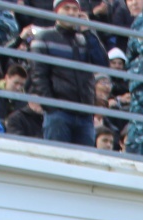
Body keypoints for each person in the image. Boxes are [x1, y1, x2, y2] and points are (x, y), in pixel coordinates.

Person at [29, 0, 109, 146]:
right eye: (66, 8)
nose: (71, 13)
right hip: (59, 113)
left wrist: (88, 32)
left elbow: (102, 64)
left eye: (74, 9)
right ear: (56, 11)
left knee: (84, 159)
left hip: (84, 113)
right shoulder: (44, 37)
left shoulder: (84, 38)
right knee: (57, 157)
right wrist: (51, 107)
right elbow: (38, 75)